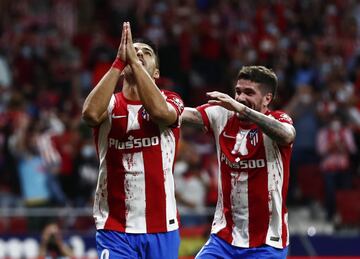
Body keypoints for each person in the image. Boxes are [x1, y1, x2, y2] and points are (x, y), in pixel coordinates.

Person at [82, 22, 184, 259]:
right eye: (133, 50)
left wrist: (134, 63)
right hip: (115, 228)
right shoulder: (109, 104)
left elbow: (160, 114)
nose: (138, 53)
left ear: (156, 73)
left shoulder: (171, 100)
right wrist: (119, 62)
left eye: (146, 53)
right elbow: (89, 114)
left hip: (162, 227)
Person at [181, 66, 296, 259]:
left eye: (249, 93)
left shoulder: (278, 120)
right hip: (224, 239)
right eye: (238, 92)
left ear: (267, 98)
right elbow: (177, 114)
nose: (241, 98)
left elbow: (287, 135)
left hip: (267, 243)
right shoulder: (222, 115)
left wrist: (241, 108)